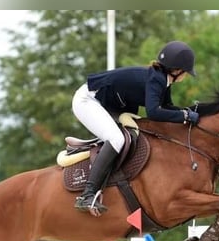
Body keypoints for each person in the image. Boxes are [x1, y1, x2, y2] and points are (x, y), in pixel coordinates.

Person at [71, 40, 199, 216]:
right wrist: (184, 116)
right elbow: (154, 112)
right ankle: (87, 195)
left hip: (108, 104)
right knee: (117, 139)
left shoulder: (163, 80)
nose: (186, 76)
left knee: (131, 135)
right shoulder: (157, 80)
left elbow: (167, 107)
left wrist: (188, 112)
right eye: (186, 72)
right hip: (87, 100)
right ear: (177, 71)